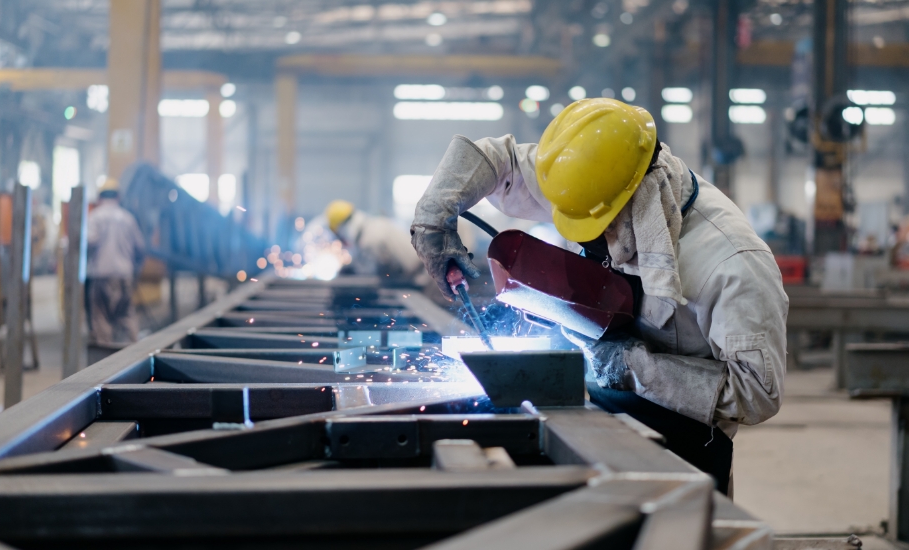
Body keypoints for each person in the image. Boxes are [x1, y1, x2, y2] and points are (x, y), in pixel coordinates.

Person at [410, 98, 789, 494]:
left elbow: (758, 394)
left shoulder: (732, 265)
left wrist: (631, 366)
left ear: (634, 199)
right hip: (599, 411)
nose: (582, 237)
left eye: (595, 226)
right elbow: (494, 158)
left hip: (684, 441)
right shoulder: (584, 176)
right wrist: (434, 215)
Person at [86, 179, 146, 345]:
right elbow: (140, 248)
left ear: (99, 197)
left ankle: (104, 361)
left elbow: (88, 243)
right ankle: (134, 361)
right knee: (126, 317)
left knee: (101, 319)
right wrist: (135, 269)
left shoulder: (95, 218)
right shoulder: (128, 219)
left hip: (101, 276)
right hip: (124, 276)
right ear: (118, 197)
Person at [324, 200, 434, 289]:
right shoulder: (373, 226)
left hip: (425, 282)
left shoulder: (370, 240)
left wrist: (352, 271)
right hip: (422, 276)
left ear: (343, 229)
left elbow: (373, 277)